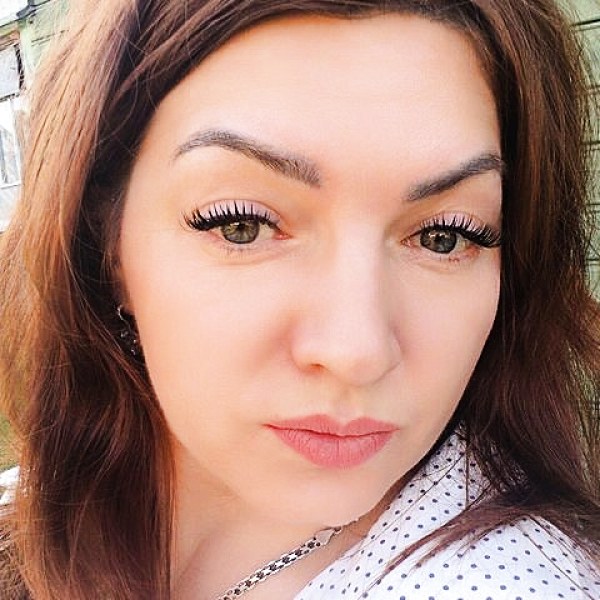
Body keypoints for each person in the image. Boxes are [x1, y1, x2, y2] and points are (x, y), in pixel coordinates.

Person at [0, 0, 598, 598]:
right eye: (242, 225)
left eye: (444, 236)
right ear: (107, 245)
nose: (357, 352)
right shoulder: (43, 505)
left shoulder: (492, 580)